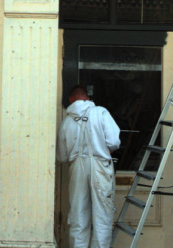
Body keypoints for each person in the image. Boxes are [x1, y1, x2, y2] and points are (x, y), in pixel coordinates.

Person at [57, 85, 121, 248]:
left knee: (78, 216)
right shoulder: (100, 112)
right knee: (102, 216)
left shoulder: (66, 122)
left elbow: (62, 157)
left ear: (71, 100)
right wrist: (103, 149)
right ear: (88, 98)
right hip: (99, 166)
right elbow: (114, 141)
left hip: (76, 168)